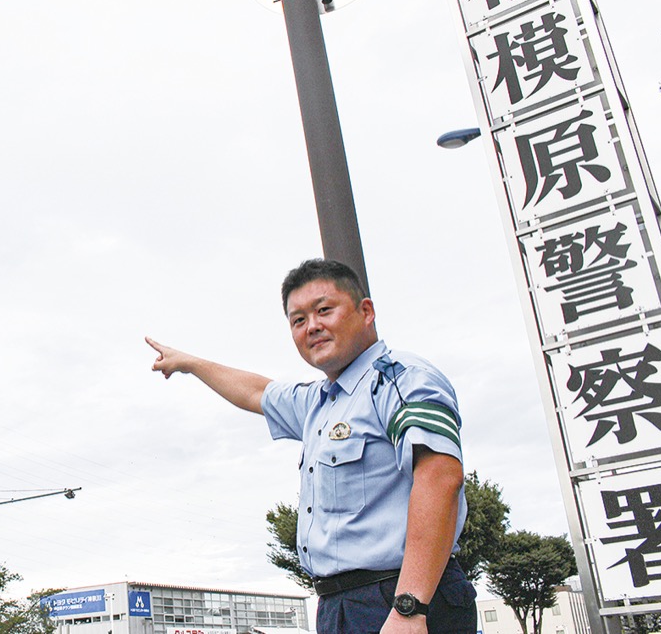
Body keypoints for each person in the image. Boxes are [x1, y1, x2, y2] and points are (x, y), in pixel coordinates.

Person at [146, 259, 476, 634]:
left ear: (365, 311)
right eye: (298, 320)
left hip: (400, 597)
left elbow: (440, 478)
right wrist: (189, 362)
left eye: (324, 310)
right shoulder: (319, 403)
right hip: (337, 606)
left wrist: (410, 607)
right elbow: (256, 391)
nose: (312, 326)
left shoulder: (402, 379)